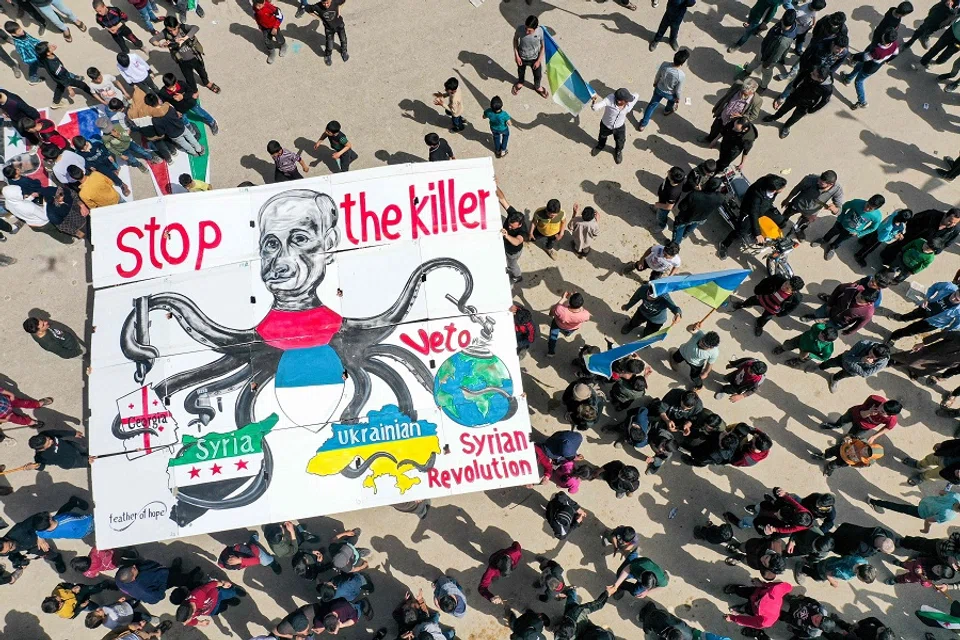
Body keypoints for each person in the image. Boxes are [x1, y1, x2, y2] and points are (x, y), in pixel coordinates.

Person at [718, 174, 787, 259]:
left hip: (764, 207)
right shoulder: (757, 195)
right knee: (740, 232)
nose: (784, 189)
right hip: (749, 210)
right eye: (782, 187)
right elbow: (753, 213)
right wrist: (757, 234)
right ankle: (724, 244)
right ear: (774, 189)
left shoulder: (771, 189)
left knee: (782, 222)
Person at [152, 17, 219, 95]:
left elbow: (195, 27)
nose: (173, 33)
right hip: (182, 61)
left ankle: (206, 82)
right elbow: (152, 40)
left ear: (178, 25)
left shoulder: (183, 27)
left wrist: (184, 38)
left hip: (195, 56)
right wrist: (161, 45)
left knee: (202, 71)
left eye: (175, 29)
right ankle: (195, 91)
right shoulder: (165, 33)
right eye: (170, 30)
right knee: (189, 78)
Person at [762, 65, 833, 138]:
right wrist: (793, 87)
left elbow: (824, 101)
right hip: (796, 95)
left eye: (814, 74)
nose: (811, 73)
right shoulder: (812, 71)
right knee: (783, 109)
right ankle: (774, 117)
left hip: (806, 105)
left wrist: (812, 110)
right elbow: (800, 76)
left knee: (795, 117)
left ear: (820, 79)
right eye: (813, 72)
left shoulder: (827, 89)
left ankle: (786, 126)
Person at [740, 9, 799, 90]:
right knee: (756, 60)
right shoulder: (785, 24)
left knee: (766, 72)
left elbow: (776, 55)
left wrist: (767, 64)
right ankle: (747, 71)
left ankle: (763, 86)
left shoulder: (783, 41)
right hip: (764, 48)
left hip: (769, 59)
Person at [813, 193, 884, 259]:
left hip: (851, 232)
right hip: (841, 223)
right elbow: (844, 207)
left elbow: (873, 227)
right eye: (867, 205)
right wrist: (840, 219)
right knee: (832, 232)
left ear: (876, 209)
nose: (867, 209)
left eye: (870, 208)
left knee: (840, 240)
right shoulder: (857, 202)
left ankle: (832, 247)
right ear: (868, 200)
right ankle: (824, 239)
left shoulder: (877, 217)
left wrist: (859, 233)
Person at [842, 28, 899, 109]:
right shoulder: (894, 44)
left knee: (859, 81)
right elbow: (896, 53)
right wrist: (887, 60)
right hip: (875, 64)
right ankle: (847, 79)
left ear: (884, 37)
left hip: (870, 67)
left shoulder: (878, 50)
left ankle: (862, 102)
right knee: (858, 67)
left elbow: (865, 57)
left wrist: (854, 57)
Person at [734, 275, 805, 336]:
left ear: (793, 291)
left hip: (772, 309)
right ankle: (743, 305)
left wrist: (781, 314)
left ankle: (759, 325)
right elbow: (765, 281)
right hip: (763, 298)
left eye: (787, 288)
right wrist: (758, 290)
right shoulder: (778, 278)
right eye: (786, 283)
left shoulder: (796, 298)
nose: (784, 286)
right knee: (751, 300)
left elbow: (790, 308)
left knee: (765, 318)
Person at [889, 281, 960, 341]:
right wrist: (926, 298)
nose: (953, 299)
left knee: (911, 331)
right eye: (954, 295)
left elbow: (957, 323)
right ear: (956, 290)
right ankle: (902, 318)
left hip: (934, 323)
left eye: (957, 299)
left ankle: (894, 337)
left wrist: (948, 329)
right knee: (912, 314)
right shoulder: (948, 286)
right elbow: (934, 287)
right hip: (926, 307)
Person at [639, 49, 689, 132]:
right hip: (670, 93)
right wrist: (678, 98)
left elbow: (658, 75)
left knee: (651, 105)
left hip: (659, 89)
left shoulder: (664, 64)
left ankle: (643, 125)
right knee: (672, 101)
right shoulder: (681, 75)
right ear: (682, 63)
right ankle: (667, 110)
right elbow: (678, 89)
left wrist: (655, 82)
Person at [801, 281, 878, 335]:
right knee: (818, 313)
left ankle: (816, 332)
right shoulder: (853, 288)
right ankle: (813, 316)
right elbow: (839, 289)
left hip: (839, 322)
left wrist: (849, 331)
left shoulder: (868, 312)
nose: (858, 297)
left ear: (868, 302)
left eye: (861, 299)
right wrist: (829, 304)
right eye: (861, 294)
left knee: (825, 329)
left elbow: (860, 324)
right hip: (832, 308)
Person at [703, 78, 763, 144]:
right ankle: (710, 139)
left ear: (752, 92)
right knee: (714, 129)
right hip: (722, 116)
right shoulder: (737, 85)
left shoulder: (757, 101)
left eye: (745, 93)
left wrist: (741, 116)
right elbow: (726, 97)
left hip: (733, 123)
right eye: (742, 90)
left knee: (728, 137)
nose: (742, 94)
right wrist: (718, 108)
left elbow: (754, 115)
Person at [589, 87, 640, 164]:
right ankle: (600, 146)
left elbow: (636, 95)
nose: (628, 102)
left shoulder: (630, 100)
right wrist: (593, 100)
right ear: (619, 101)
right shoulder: (609, 99)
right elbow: (595, 108)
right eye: (626, 101)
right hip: (606, 125)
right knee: (602, 136)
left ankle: (618, 151)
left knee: (621, 141)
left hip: (620, 126)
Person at [35, 41, 93, 108]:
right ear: (48, 53)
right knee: (82, 85)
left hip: (58, 76)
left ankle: (56, 102)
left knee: (60, 87)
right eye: (50, 47)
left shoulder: (44, 56)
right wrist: (70, 89)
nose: (52, 45)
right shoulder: (54, 66)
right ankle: (93, 94)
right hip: (64, 77)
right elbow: (62, 78)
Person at [818, 339, 890, 393]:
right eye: (870, 352)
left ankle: (834, 379)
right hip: (842, 360)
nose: (869, 356)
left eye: (873, 357)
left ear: (879, 358)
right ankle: (820, 367)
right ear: (873, 347)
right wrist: (861, 359)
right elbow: (847, 357)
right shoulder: (863, 343)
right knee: (830, 363)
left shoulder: (883, 362)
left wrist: (853, 363)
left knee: (841, 376)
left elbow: (866, 374)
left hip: (852, 371)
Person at [870, 491, 960, 533]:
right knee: (900, 508)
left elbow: (941, 492)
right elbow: (928, 520)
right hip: (921, 511)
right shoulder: (948, 516)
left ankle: (876, 502)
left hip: (926, 501)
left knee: (903, 507)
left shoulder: (956, 496)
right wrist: (926, 530)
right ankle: (875, 502)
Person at [723, 581, 793, 632]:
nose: (757, 602)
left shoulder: (766, 621)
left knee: (749, 609)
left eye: (758, 603)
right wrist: (763, 584)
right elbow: (788, 586)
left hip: (754, 609)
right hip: (756, 592)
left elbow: (748, 622)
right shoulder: (776, 590)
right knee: (743, 591)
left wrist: (733, 618)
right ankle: (736, 589)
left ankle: (743, 608)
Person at [672, 176, 724, 244]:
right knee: (691, 228)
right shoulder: (720, 198)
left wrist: (699, 191)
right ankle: (684, 236)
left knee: (679, 229)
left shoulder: (694, 194)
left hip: (686, 218)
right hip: (701, 218)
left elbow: (681, 207)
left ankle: (675, 243)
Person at [728, 0, 796, 51]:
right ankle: (758, 29)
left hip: (759, 18)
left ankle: (738, 44)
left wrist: (765, 22)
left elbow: (772, 13)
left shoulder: (774, 2)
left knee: (748, 32)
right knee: (749, 24)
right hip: (754, 11)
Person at [175, 578, 245, 627]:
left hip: (217, 595)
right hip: (210, 610)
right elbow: (189, 622)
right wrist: (201, 623)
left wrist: (222, 583)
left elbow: (209, 586)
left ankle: (234, 591)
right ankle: (228, 601)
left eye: (186, 621)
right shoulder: (186, 616)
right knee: (224, 607)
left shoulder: (197, 594)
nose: (184, 623)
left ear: (192, 613)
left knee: (230, 593)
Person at [815, 435, 885, 476]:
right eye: (866, 448)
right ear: (868, 445)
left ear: (870, 458)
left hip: (846, 461)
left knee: (834, 465)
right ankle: (824, 456)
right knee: (829, 452)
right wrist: (847, 439)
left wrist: (852, 465)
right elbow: (850, 436)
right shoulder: (861, 441)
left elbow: (860, 465)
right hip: (841, 449)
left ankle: (829, 468)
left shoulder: (868, 462)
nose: (864, 451)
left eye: (866, 454)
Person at [513, 15, 546, 97]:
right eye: (526, 29)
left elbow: (543, 46)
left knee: (538, 75)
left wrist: (539, 61)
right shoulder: (520, 29)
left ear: (536, 28)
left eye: (529, 31)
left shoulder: (540, 32)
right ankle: (520, 82)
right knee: (521, 72)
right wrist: (517, 56)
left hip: (535, 58)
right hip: (521, 57)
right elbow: (515, 40)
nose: (527, 32)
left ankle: (537, 86)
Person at [794, 555, 877, 587]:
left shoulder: (862, 561)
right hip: (826, 569)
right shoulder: (845, 574)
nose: (862, 581)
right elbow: (828, 574)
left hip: (830, 561)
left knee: (817, 564)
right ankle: (802, 569)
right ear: (858, 574)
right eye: (862, 580)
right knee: (816, 576)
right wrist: (834, 583)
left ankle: (808, 561)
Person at [252, 0, 286, 64]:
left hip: (273, 27)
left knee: (279, 38)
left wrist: (275, 27)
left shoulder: (271, 8)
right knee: (267, 41)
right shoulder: (254, 7)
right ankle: (272, 53)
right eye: (255, 5)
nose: (257, 8)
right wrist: (259, 25)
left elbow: (280, 17)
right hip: (264, 28)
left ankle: (283, 45)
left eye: (259, 6)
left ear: (264, 2)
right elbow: (256, 16)